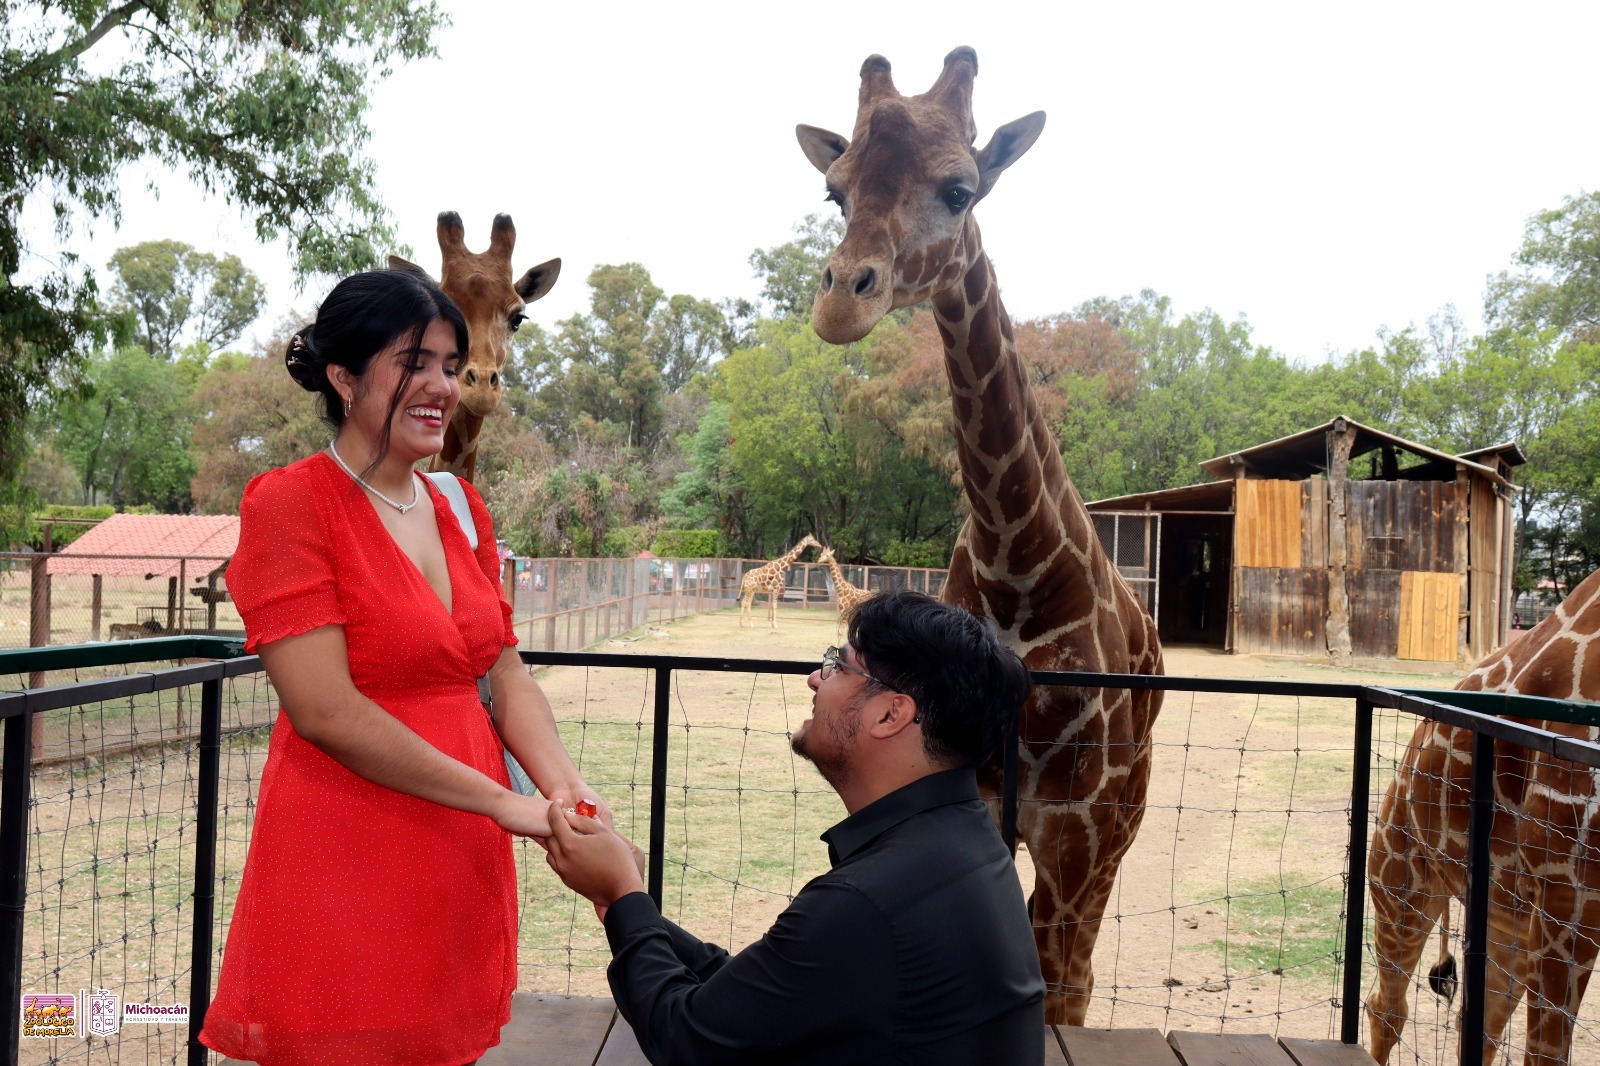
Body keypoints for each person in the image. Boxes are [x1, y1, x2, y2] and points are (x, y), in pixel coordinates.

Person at [199, 269, 605, 1066]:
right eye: (412, 362)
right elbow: (326, 712)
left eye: (450, 367)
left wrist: (563, 785)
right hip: (350, 846)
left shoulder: (459, 505)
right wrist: (502, 802)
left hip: (460, 851)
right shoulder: (290, 505)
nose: (440, 386)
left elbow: (505, 672)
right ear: (345, 378)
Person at [542, 589, 1044, 1065]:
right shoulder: (961, 844)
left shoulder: (870, 900)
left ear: (892, 713)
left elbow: (686, 1041)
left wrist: (624, 892)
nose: (814, 678)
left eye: (838, 665)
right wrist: (623, 904)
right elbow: (767, 992)